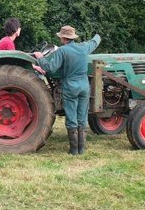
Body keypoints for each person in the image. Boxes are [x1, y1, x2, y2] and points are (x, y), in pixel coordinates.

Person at [34, 25, 101, 155]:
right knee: (82, 116)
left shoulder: (62, 51)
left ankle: (73, 150)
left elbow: (51, 67)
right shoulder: (84, 47)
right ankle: (82, 149)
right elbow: (95, 41)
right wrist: (97, 35)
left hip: (71, 87)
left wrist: (40, 57)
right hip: (84, 86)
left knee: (71, 117)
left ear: (63, 38)